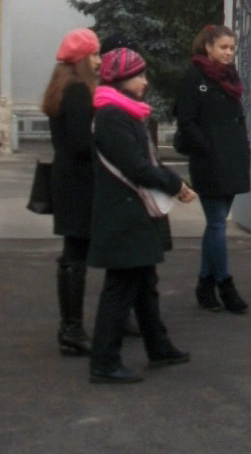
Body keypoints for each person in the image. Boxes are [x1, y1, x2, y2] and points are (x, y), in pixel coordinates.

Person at [88, 47, 196, 383]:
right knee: (120, 289)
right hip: (124, 214)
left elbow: (143, 163)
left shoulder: (124, 112)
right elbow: (137, 167)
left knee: (144, 283)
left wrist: (173, 183)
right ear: (121, 80)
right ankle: (104, 363)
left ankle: (158, 347)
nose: (145, 82)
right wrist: (175, 184)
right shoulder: (112, 116)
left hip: (131, 213)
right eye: (139, 76)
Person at [174, 24, 251, 314]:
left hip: (233, 158)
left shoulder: (231, 77)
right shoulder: (194, 77)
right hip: (209, 161)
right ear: (208, 47)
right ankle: (225, 284)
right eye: (223, 47)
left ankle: (205, 285)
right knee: (218, 223)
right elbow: (187, 120)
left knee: (215, 225)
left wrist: (243, 149)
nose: (229, 52)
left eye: (232, 48)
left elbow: (237, 118)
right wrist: (207, 148)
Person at [41, 28, 102, 356]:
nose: (98, 61)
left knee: (72, 253)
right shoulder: (79, 89)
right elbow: (81, 143)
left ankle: (70, 328)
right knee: (76, 254)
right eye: (94, 54)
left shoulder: (61, 85)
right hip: (80, 182)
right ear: (80, 58)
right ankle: (72, 330)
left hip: (66, 180)